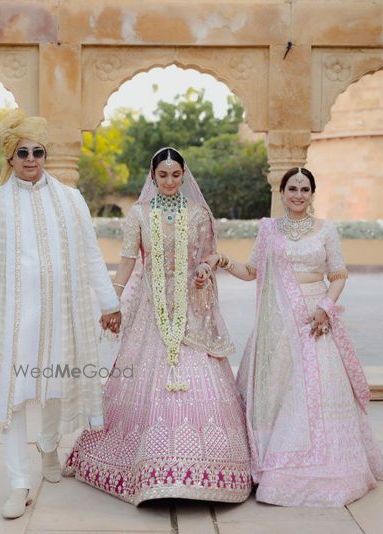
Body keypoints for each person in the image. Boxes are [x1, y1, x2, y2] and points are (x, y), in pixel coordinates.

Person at [63, 147, 251, 505]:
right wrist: (112, 302)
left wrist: (205, 269)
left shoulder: (198, 213)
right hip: (151, 309)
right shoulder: (139, 214)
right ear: (153, 176)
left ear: (184, 175)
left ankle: (205, 469)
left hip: (191, 309)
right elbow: (127, 262)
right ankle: (143, 466)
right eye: (162, 175)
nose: (168, 181)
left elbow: (210, 254)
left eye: (175, 175)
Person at [0, 109, 120, 519]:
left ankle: (49, 447)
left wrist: (110, 303)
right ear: (10, 159)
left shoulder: (71, 199)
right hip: (10, 321)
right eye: (22, 152)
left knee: (54, 386)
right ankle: (19, 483)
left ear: (45, 154)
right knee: (12, 400)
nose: (30, 159)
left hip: (62, 316)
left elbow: (90, 255)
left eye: (37, 151)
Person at [202, 167, 383, 507]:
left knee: (313, 393)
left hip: (315, 318)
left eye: (304, 188)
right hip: (277, 323)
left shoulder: (326, 230)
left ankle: (314, 469)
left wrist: (326, 308)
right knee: (278, 392)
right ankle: (269, 462)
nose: (298, 194)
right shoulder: (269, 230)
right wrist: (222, 261)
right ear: (282, 192)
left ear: (312, 193)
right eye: (292, 188)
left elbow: (339, 274)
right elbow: (252, 272)